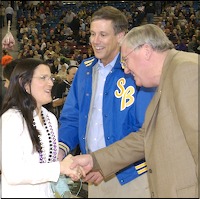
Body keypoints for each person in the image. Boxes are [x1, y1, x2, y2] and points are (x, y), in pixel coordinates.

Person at [70, 24, 198, 198]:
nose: (126, 69)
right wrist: (95, 160)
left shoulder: (186, 70)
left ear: (145, 51)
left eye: (125, 60)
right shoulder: (165, 80)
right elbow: (143, 138)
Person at [58, 6, 155, 198]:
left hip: (131, 176)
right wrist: (61, 148)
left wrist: (104, 163)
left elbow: (144, 131)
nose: (95, 40)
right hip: (93, 174)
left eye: (103, 34)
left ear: (120, 36)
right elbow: (72, 117)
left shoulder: (136, 72)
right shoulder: (85, 70)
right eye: (93, 34)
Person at [0, 58, 83, 198]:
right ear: (24, 83)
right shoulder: (11, 119)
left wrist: (70, 168)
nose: (50, 83)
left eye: (50, 78)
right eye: (43, 78)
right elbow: (12, 173)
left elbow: (50, 165)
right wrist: (59, 168)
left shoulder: (50, 118)